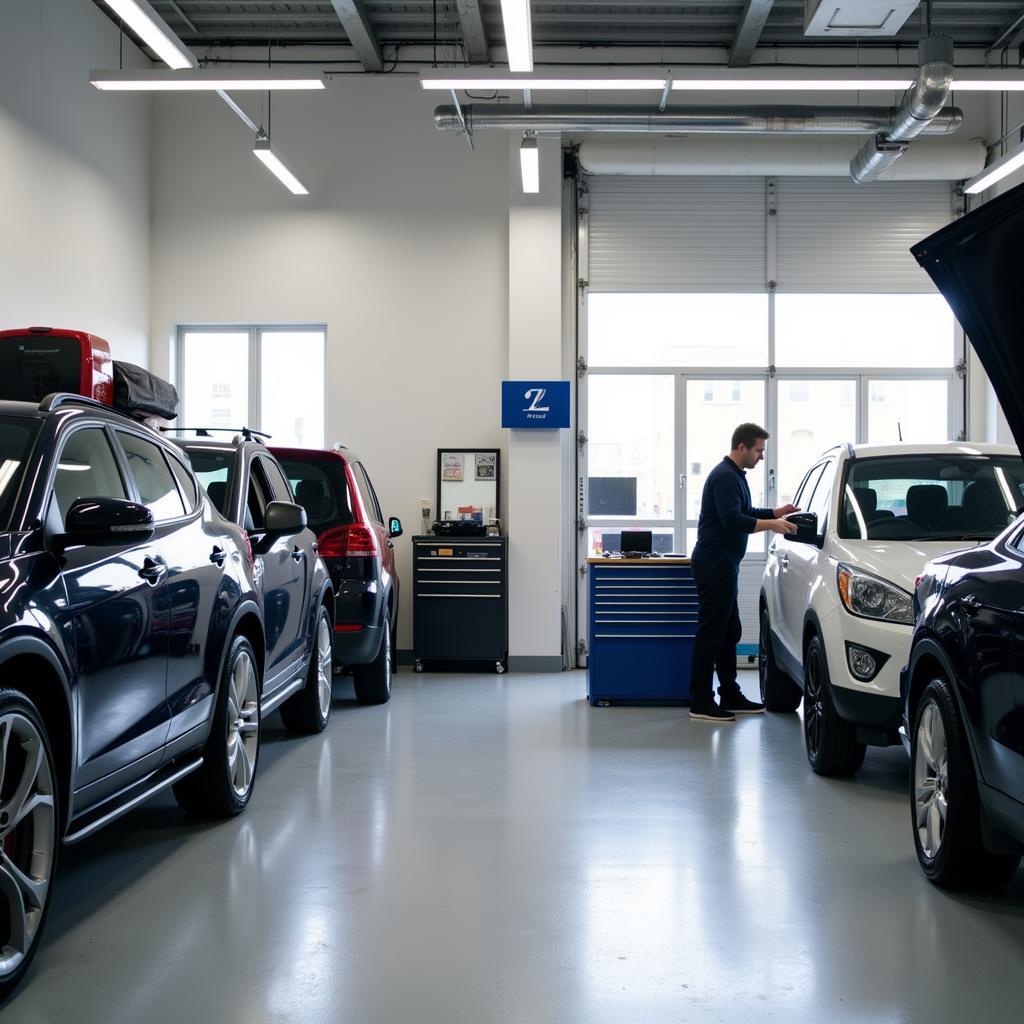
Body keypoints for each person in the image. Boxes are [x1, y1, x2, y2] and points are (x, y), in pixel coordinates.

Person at [688, 423, 799, 723]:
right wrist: (773, 526)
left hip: (724, 564)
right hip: (713, 565)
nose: (761, 456)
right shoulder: (724, 477)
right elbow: (732, 520)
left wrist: (774, 513)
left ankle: (729, 693)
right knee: (712, 633)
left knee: (728, 632)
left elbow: (745, 510)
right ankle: (700, 700)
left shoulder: (735, 476)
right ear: (742, 447)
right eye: (758, 450)